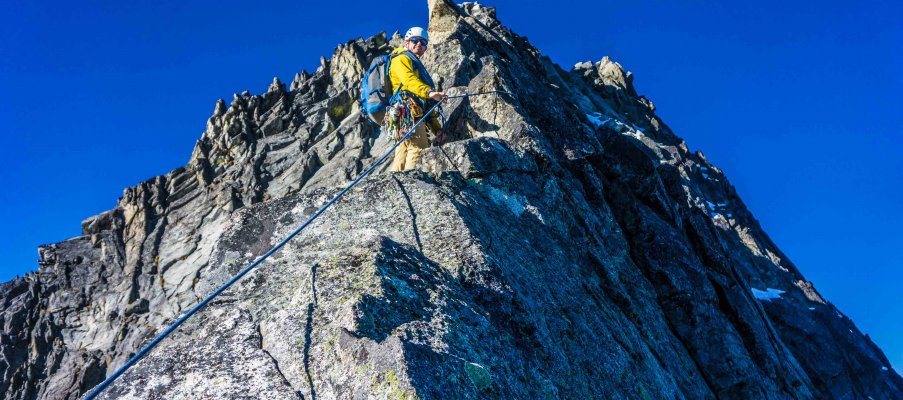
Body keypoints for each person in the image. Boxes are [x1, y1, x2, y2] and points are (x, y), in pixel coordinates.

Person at [388, 27, 446, 171]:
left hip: (406, 111)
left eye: (423, 42)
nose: (419, 44)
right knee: (418, 147)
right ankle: (409, 184)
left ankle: (396, 185)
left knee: (402, 151)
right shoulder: (401, 58)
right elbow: (408, 80)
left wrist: (436, 129)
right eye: (415, 40)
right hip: (407, 109)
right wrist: (429, 92)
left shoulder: (413, 63)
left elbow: (425, 105)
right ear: (407, 42)